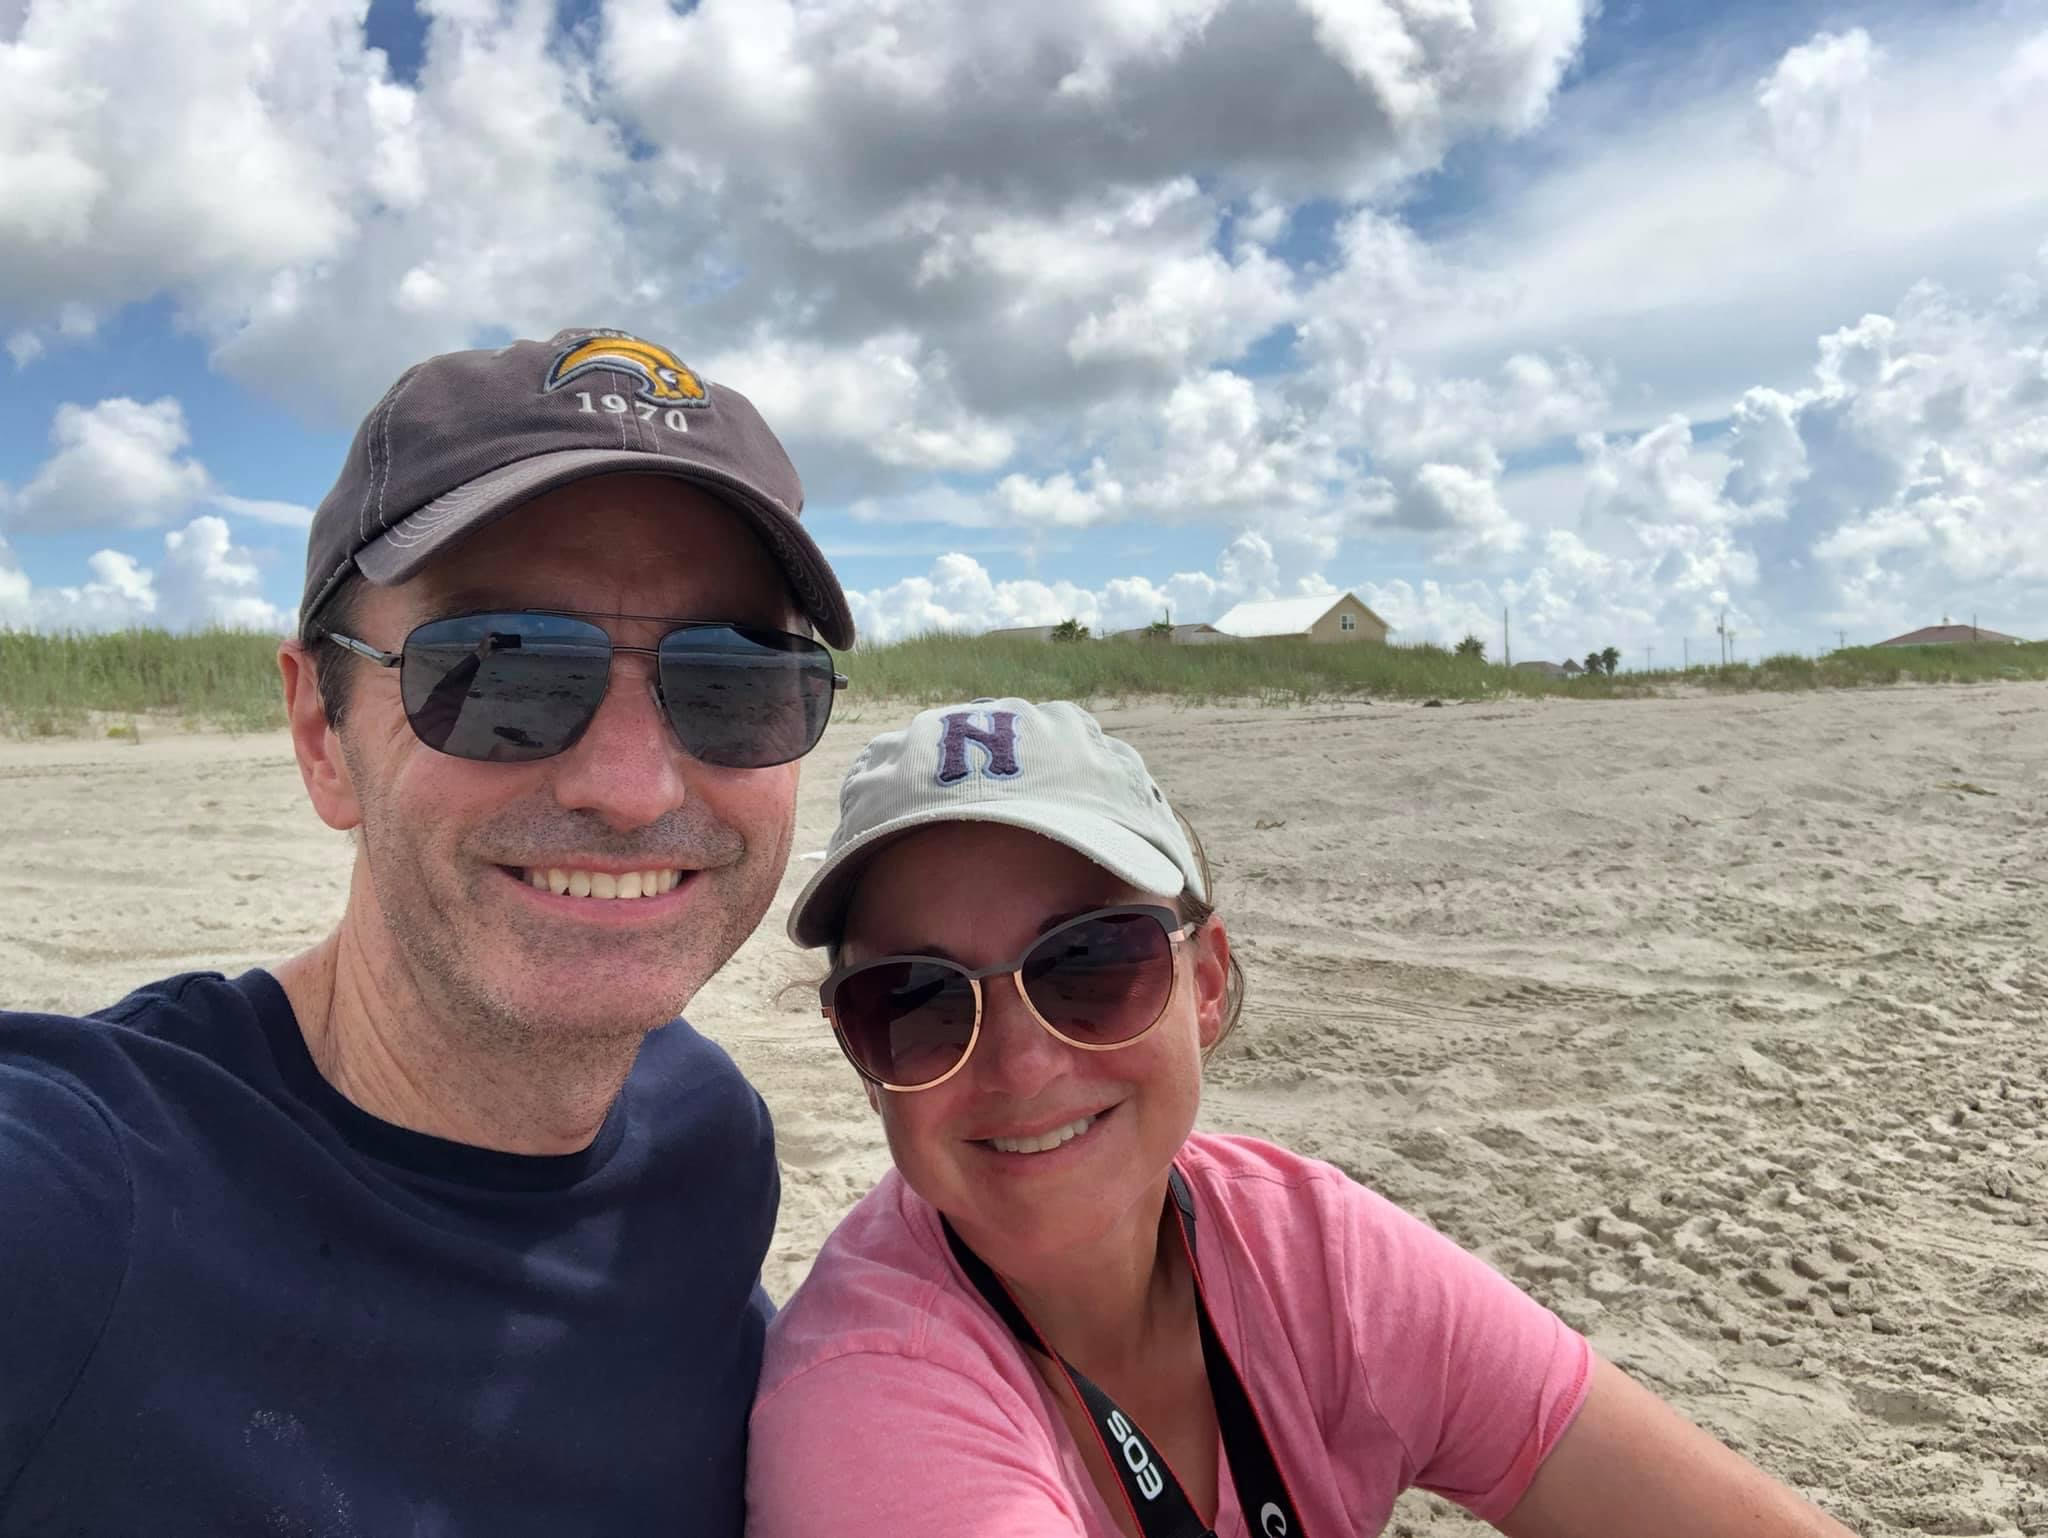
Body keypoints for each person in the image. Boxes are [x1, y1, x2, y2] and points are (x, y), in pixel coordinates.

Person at [0, 329, 854, 1535]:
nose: (632, 786)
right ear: (321, 730)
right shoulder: (77, 1203)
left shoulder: (705, 1138)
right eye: (503, 669)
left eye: (735, 677)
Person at [747, 699, 1859, 1538]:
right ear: (861, 1053)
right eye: (919, 1002)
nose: (1023, 1062)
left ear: (1205, 983)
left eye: (1088, 963)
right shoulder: (871, 1402)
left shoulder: (1309, 1254)